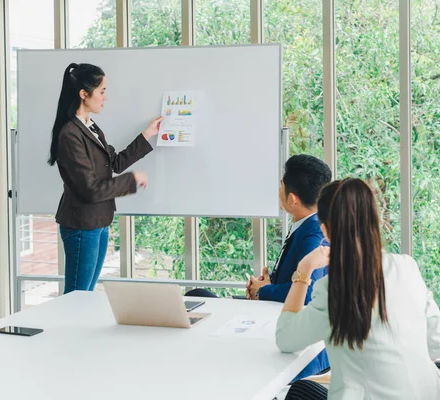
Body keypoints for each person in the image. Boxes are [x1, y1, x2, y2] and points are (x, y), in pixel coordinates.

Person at [276, 178, 440, 400]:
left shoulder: (335, 290)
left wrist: (304, 269)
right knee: (304, 391)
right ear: (375, 221)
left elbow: (285, 338)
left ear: (325, 231)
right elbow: (438, 346)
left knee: (298, 391)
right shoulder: (407, 267)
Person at [187, 154, 332, 381]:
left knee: (200, 303)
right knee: (197, 296)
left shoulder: (313, 233)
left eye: (281, 185)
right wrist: (265, 285)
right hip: (274, 314)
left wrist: (261, 291)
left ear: (292, 198)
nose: (278, 190)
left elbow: (308, 293)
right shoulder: (308, 224)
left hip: (303, 350)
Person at [48, 62, 163, 294]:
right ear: (84, 94)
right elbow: (90, 189)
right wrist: (131, 180)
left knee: (85, 294)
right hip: (81, 225)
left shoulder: (90, 127)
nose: (105, 97)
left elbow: (115, 162)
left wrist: (147, 134)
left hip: (98, 222)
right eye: (102, 91)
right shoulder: (70, 134)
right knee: (77, 297)